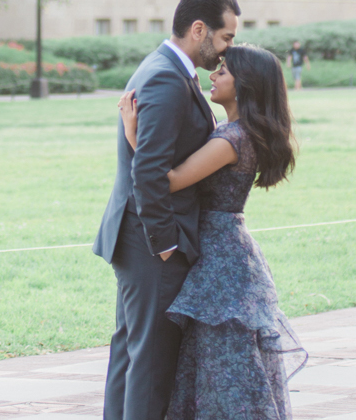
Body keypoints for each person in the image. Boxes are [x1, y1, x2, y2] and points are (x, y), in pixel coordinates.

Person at [119, 43, 306, 418]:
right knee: (221, 363)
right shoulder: (237, 132)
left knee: (220, 362)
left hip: (220, 257)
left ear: (246, 84)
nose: (213, 75)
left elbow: (169, 180)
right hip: (230, 251)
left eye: (224, 70)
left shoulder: (231, 139)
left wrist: (132, 131)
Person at [94, 0, 241, 420]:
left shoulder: (170, 73)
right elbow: (149, 171)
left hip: (142, 238)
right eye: (226, 37)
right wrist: (165, 243)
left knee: (132, 353)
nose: (226, 49)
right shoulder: (164, 76)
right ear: (199, 30)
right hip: (151, 242)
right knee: (152, 364)